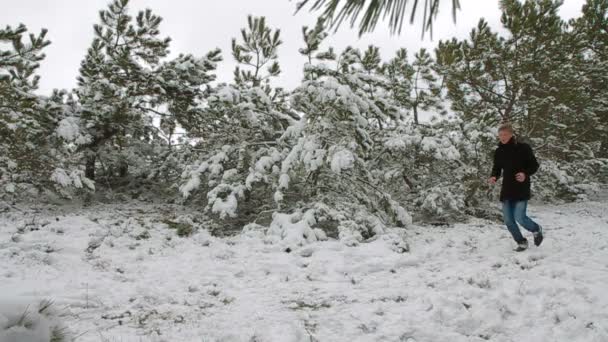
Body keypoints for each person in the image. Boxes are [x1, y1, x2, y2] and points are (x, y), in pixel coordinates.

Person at [489, 123, 543, 251]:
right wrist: (494, 177)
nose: (502, 137)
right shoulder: (499, 151)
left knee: (520, 217)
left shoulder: (523, 148)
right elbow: (496, 168)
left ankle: (536, 229)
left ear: (511, 134)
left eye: (505, 134)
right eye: (500, 135)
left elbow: (534, 165)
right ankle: (521, 242)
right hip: (507, 189)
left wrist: (525, 174)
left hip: (521, 187)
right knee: (508, 220)